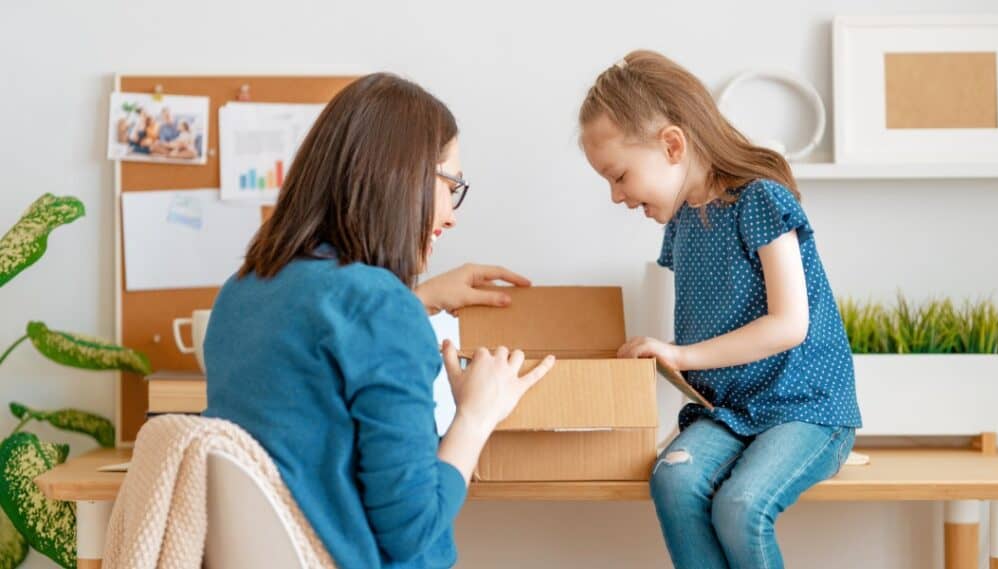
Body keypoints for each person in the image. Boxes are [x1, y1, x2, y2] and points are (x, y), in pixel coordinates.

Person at [202, 73, 554, 569]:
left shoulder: (241, 293)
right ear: (403, 177)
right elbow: (412, 530)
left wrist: (412, 300)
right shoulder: (381, 308)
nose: (451, 216)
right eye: (450, 185)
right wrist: (477, 414)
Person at [578, 50, 860, 569]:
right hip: (731, 412)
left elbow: (789, 324)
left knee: (741, 506)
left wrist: (681, 355)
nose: (617, 196)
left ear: (672, 145)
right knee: (673, 480)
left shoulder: (760, 201)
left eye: (619, 175)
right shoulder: (682, 223)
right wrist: (662, 355)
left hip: (806, 409)